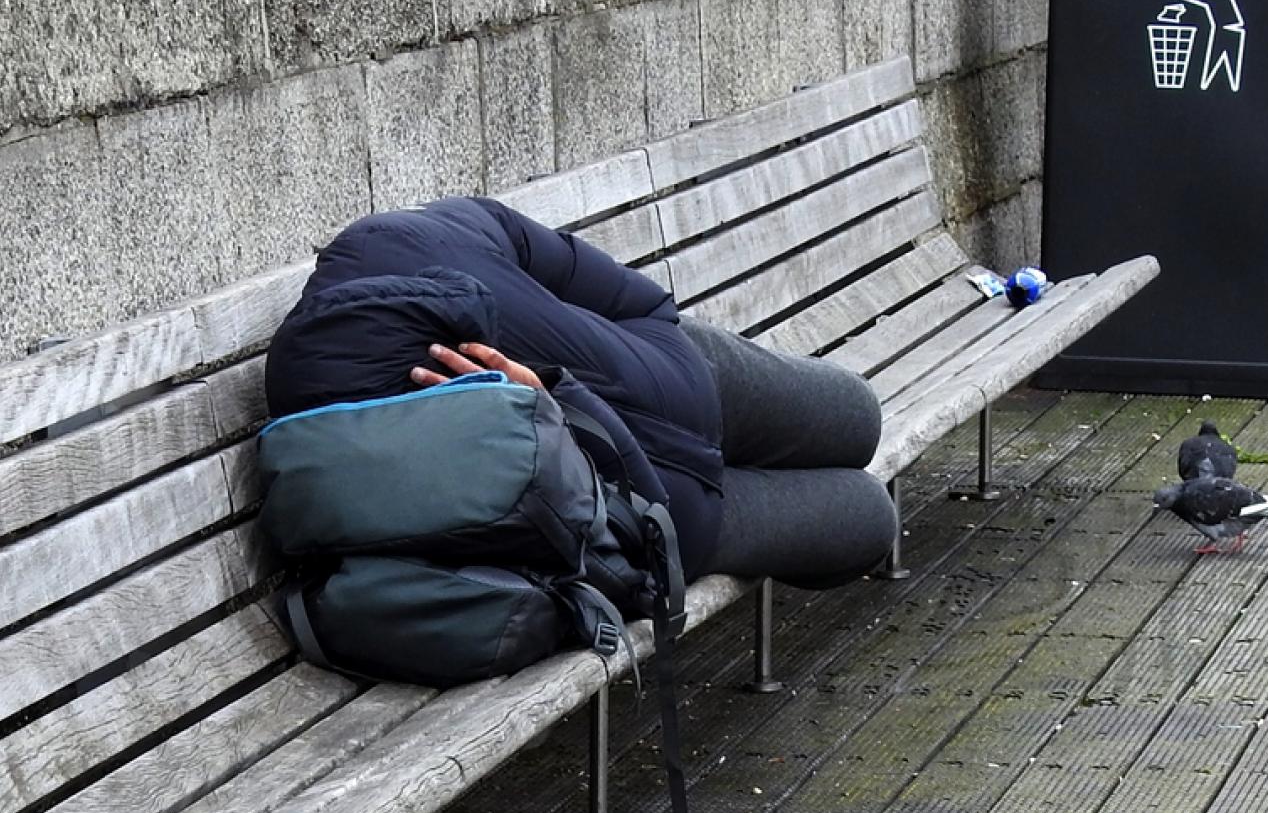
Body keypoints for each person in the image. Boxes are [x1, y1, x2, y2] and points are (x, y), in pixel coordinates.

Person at [263, 195, 898, 591]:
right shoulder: (363, 431)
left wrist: (634, 341)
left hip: (690, 383)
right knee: (870, 516)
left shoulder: (410, 240)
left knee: (858, 415)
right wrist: (551, 406)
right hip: (667, 523)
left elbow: (621, 291)